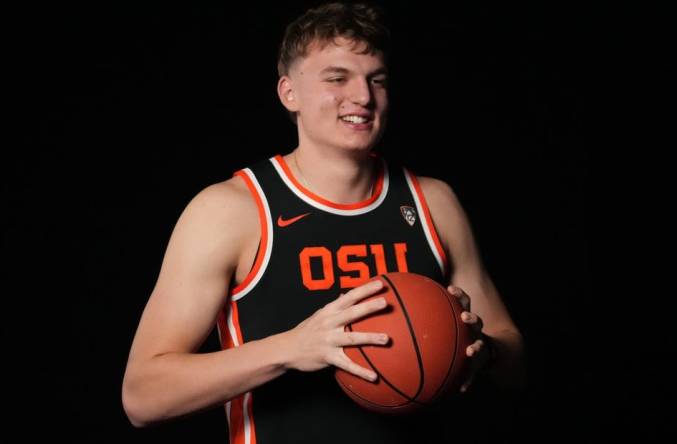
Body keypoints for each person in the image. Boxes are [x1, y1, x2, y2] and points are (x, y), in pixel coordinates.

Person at [122, 3, 525, 443]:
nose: (363, 97)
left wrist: (479, 350)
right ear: (288, 93)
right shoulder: (232, 210)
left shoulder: (433, 201)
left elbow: (515, 360)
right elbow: (144, 396)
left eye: (377, 80)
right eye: (337, 78)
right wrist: (291, 348)